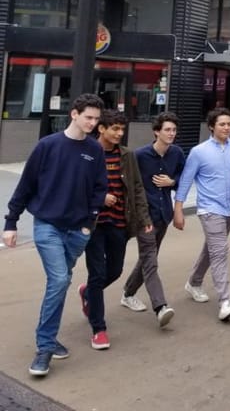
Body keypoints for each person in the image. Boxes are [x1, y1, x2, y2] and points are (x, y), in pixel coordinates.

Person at [3, 94, 107, 377]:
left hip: (79, 231)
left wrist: (89, 222)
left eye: (97, 119)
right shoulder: (47, 146)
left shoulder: (94, 150)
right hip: (47, 225)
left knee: (58, 283)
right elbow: (26, 185)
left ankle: (48, 337)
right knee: (60, 279)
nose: (93, 123)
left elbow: (100, 188)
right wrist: (10, 222)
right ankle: (45, 347)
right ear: (74, 114)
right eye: (88, 117)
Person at [173, 108, 230, 322]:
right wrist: (178, 209)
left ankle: (193, 282)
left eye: (229, 124)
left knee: (212, 249)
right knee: (220, 252)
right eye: (222, 124)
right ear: (212, 126)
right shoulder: (199, 152)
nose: (226, 128)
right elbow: (185, 181)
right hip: (209, 209)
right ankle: (226, 302)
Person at [80, 110, 153, 351]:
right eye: (115, 129)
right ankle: (98, 328)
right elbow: (78, 186)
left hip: (120, 222)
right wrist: (101, 197)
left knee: (115, 269)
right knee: (98, 274)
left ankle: (88, 292)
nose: (120, 134)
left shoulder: (127, 155)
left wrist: (144, 218)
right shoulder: (88, 152)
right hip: (94, 222)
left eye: (122, 129)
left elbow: (136, 187)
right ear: (101, 129)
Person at [120, 111, 185, 329]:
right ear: (156, 131)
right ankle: (161, 307)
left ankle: (128, 293)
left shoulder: (177, 154)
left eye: (174, 130)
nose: (171, 133)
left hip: (163, 214)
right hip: (143, 216)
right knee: (150, 259)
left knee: (149, 257)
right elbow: (128, 183)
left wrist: (172, 182)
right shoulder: (139, 155)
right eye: (167, 129)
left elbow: (183, 181)